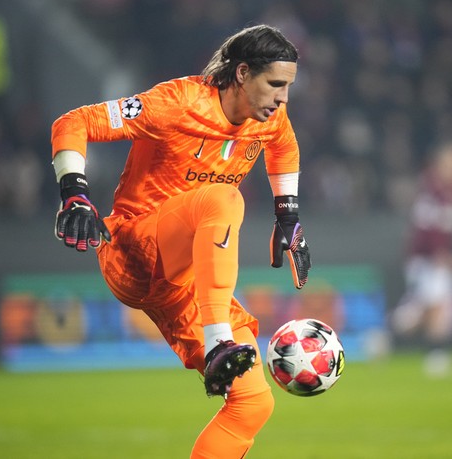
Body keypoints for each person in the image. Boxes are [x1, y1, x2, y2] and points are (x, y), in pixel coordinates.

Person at [50, 24, 311, 458]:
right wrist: (74, 192)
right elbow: (74, 122)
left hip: (182, 282)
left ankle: (218, 341)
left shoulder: (270, 119)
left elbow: (284, 148)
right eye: (276, 85)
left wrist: (289, 215)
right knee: (223, 200)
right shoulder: (177, 103)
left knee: (252, 403)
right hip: (134, 249)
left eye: (288, 87)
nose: (283, 98)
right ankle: (217, 340)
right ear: (243, 73)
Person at [391, 141, 452, 377]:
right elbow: (428, 227)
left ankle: (383, 337)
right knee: (440, 305)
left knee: (426, 309)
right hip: (428, 259)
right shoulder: (436, 191)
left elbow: (444, 230)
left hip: (429, 257)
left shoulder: (444, 191)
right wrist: (443, 255)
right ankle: (435, 356)